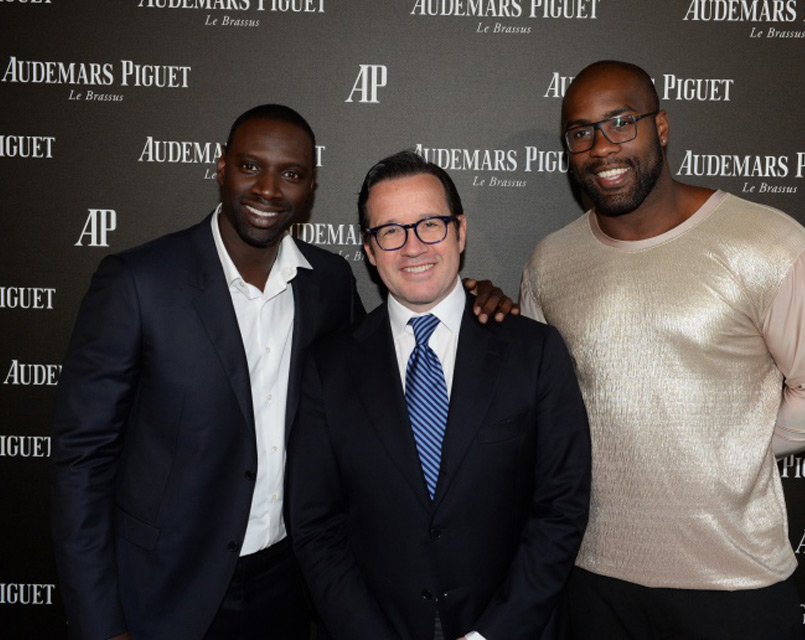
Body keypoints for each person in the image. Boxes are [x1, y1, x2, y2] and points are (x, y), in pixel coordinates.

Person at [50, 105, 513, 640]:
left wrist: (472, 299)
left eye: (291, 174)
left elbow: (382, 368)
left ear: (310, 188)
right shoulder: (138, 282)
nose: (268, 189)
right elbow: (81, 462)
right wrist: (101, 624)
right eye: (251, 166)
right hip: (161, 592)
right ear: (221, 167)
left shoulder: (330, 283)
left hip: (292, 590)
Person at [519, 61, 805, 639]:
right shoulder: (550, 261)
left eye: (621, 122)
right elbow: (548, 404)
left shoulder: (764, 240)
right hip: (589, 578)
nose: (601, 147)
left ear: (661, 126)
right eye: (580, 132)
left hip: (732, 585)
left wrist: (732, 445)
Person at [288, 150, 591, 640]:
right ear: (368, 249)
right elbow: (315, 525)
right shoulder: (330, 367)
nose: (413, 247)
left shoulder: (533, 352)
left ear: (460, 231)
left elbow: (561, 507)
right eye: (390, 231)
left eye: (430, 224)